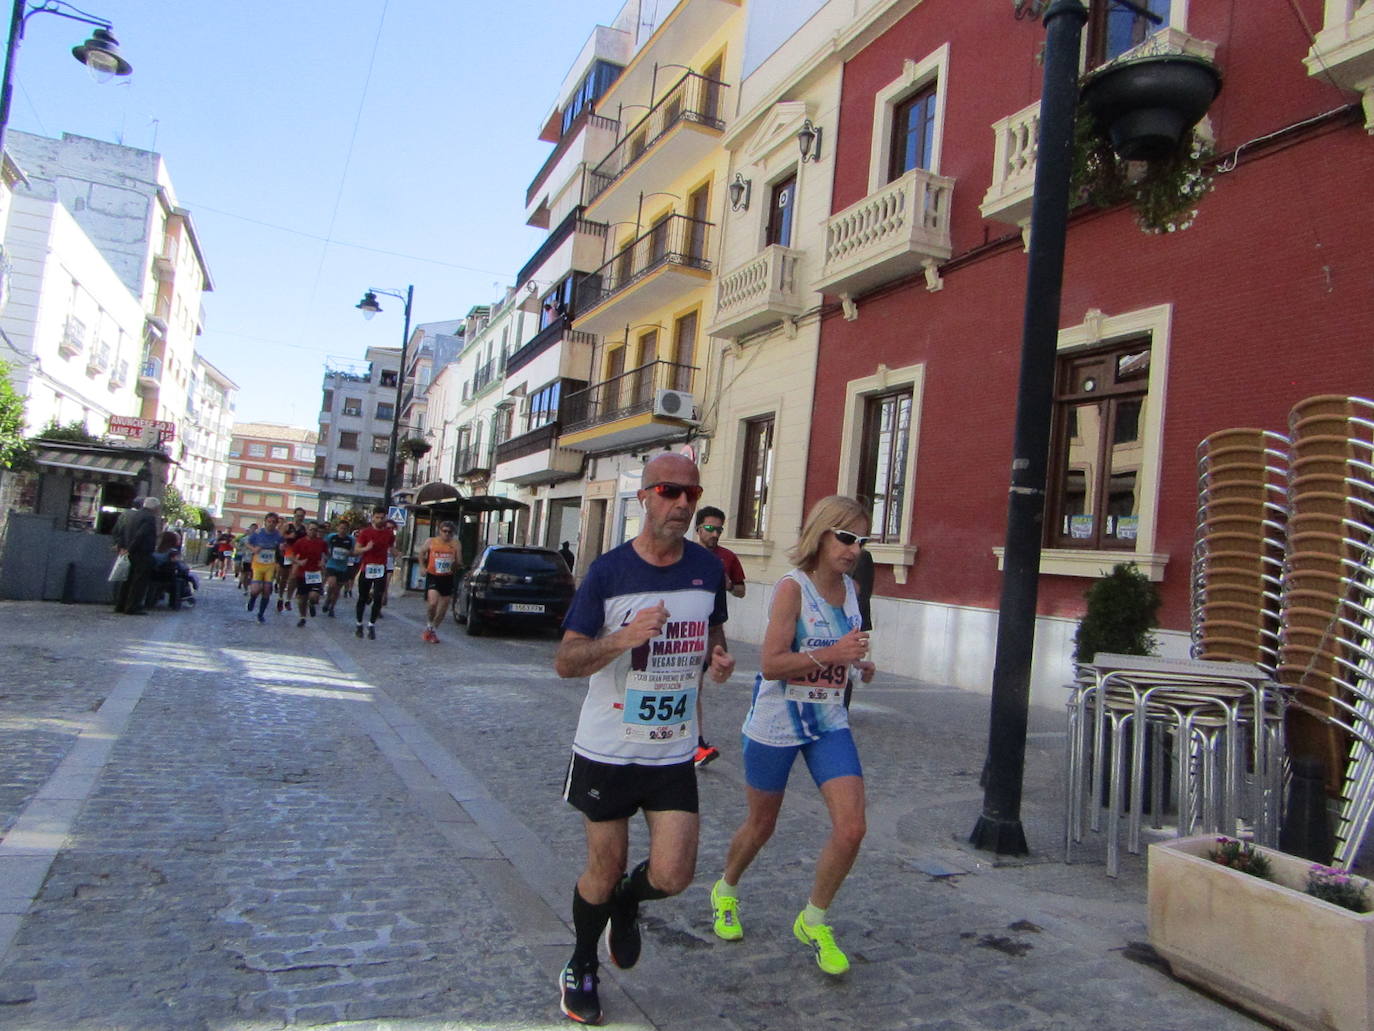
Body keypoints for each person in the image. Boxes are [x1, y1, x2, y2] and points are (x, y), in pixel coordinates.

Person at [553, 453, 735, 1025]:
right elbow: (565, 662)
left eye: (691, 494)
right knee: (602, 869)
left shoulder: (707, 570)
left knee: (674, 874)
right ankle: (581, 964)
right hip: (607, 750)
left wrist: (719, 659)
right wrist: (623, 638)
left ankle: (627, 905)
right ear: (645, 499)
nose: (682, 503)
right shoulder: (608, 573)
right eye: (669, 491)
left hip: (672, 750)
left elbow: (711, 634)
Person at [708, 495, 876, 978]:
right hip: (778, 722)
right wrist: (833, 653)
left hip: (827, 722)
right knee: (761, 826)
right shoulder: (792, 589)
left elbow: (844, 649)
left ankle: (814, 919)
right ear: (820, 534)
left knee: (852, 827)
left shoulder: (852, 588)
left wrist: (859, 663)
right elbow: (771, 664)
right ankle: (726, 889)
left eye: (861, 541)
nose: (853, 549)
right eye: (845, 537)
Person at [693, 507, 748, 768]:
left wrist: (728, 584)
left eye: (719, 530)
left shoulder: (727, 557)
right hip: (687, 629)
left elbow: (741, 591)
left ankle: (694, 743)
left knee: (697, 685)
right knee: (693, 686)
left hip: (713, 628)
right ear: (698, 529)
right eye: (710, 528)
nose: (715, 534)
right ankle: (696, 744)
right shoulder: (685, 554)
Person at [352, 509, 395, 639]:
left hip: (381, 569)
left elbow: (391, 547)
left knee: (378, 598)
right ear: (373, 518)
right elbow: (356, 550)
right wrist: (366, 548)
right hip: (367, 569)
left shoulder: (389, 534)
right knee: (362, 598)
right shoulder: (366, 532)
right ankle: (359, 624)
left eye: (382, 517)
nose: (380, 520)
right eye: (378, 517)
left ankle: (371, 625)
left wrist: (395, 552)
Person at [419, 521, 459, 642]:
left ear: (453, 533)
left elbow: (459, 561)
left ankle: (432, 630)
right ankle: (429, 623)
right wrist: (422, 567)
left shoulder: (455, 544)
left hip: (447, 577)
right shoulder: (431, 541)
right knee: (432, 603)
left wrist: (455, 565)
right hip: (433, 575)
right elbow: (421, 553)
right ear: (439, 531)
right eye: (444, 531)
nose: (447, 534)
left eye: (449, 532)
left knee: (443, 608)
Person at [121, 496, 161, 615]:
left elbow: (126, 531)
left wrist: (126, 548)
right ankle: (133, 607)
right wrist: (132, 548)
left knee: (128, 580)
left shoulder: (135, 515)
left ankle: (122, 605)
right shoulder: (149, 518)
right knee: (138, 582)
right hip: (141, 553)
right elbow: (141, 534)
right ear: (155, 507)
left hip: (132, 551)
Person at [246, 513, 285, 623]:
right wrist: (254, 550)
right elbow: (247, 543)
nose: (271, 524)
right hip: (258, 564)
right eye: (269, 521)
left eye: (273, 522)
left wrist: (282, 548)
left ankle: (261, 614)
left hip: (270, 565)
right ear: (265, 522)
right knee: (255, 590)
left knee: (267, 590)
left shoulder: (278, 535)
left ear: (276, 523)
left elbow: (282, 547)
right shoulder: (258, 533)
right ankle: (253, 598)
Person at [290, 521, 328, 628]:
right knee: (302, 599)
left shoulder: (321, 542)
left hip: (315, 573)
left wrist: (323, 562)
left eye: (315, 530)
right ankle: (302, 617)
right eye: (311, 529)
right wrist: (299, 562)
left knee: (313, 596)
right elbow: (291, 555)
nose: (313, 532)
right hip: (302, 573)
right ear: (307, 530)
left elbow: (326, 554)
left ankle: (312, 603)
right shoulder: (300, 542)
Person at [322, 517, 355, 617]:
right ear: (337, 528)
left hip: (343, 567)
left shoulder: (351, 540)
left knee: (337, 590)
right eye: (341, 528)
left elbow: (355, 552)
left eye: (345, 528)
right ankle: (328, 600)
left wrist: (350, 553)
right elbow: (323, 546)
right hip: (331, 565)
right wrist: (325, 555)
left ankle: (332, 607)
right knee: (331, 584)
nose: (342, 530)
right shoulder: (331, 537)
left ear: (348, 530)